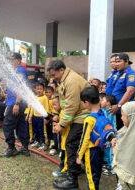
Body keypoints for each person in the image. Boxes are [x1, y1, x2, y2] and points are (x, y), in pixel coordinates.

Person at [47, 60, 89, 189]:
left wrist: (62, 124)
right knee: (73, 145)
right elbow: (64, 101)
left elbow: (72, 106)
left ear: (61, 70)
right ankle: (75, 170)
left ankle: (72, 181)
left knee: (71, 144)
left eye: (54, 75)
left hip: (82, 116)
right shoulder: (64, 79)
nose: (53, 78)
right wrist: (57, 113)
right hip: (75, 115)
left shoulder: (71, 81)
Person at [77, 86, 115, 190]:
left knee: (91, 178)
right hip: (100, 150)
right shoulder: (103, 114)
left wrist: (79, 156)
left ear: (86, 102)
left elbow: (84, 139)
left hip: (90, 152)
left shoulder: (89, 119)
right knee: (97, 176)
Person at [1, 53, 30, 157]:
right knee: (21, 125)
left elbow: (21, 88)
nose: (10, 62)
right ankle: (25, 148)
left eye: (12, 60)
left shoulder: (20, 70)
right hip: (15, 102)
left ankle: (11, 148)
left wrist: (17, 103)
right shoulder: (15, 71)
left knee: (7, 125)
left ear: (18, 60)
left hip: (16, 103)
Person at [109, 53, 135, 130]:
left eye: (119, 61)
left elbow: (130, 92)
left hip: (122, 111)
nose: (116, 64)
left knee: (122, 133)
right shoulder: (118, 73)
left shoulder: (131, 74)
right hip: (113, 109)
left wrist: (118, 106)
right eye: (115, 62)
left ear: (126, 61)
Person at [99, 93, 117, 175]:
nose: (101, 101)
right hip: (103, 134)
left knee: (109, 150)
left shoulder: (110, 111)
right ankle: (106, 165)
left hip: (110, 134)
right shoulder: (102, 110)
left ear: (108, 103)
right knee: (104, 149)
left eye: (103, 100)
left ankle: (111, 167)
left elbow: (110, 124)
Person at [29, 82, 50, 150]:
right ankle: (37, 141)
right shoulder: (35, 97)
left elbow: (46, 108)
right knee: (36, 130)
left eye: (41, 89)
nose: (39, 90)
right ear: (35, 89)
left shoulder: (45, 98)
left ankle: (43, 143)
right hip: (35, 117)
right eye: (37, 89)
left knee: (42, 131)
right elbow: (33, 107)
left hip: (41, 118)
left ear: (43, 90)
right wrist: (30, 116)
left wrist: (46, 118)